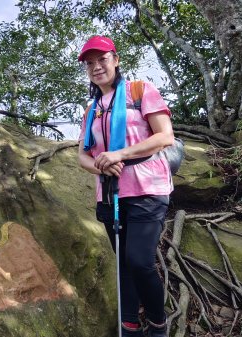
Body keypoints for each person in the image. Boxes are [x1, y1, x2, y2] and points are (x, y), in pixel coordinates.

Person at [76, 35, 174, 337]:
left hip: (147, 189)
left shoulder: (140, 91)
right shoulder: (91, 109)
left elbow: (164, 136)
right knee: (124, 264)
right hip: (109, 195)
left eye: (102, 59)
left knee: (139, 260)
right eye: (89, 63)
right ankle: (129, 325)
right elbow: (82, 155)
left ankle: (158, 324)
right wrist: (102, 164)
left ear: (115, 60)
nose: (96, 67)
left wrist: (120, 154)